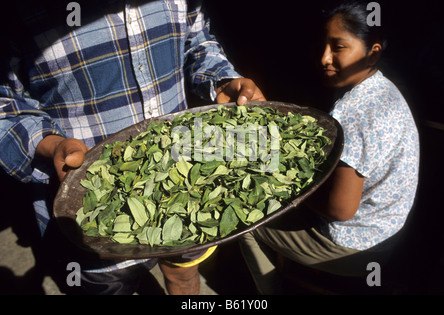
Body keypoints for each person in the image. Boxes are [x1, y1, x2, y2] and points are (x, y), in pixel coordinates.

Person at [0, 0, 265, 294]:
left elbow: (197, 42)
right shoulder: (18, 12)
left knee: (184, 277)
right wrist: (50, 144)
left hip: (187, 188)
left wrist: (220, 79)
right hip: (94, 207)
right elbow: (5, 105)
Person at [239, 0, 420, 294]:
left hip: (360, 247)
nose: (324, 57)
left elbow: (339, 210)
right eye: (324, 45)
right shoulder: (382, 88)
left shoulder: (355, 114)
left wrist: (283, 179)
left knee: (245, 225)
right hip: (389, 228)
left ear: (373, 53)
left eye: (338, 47)